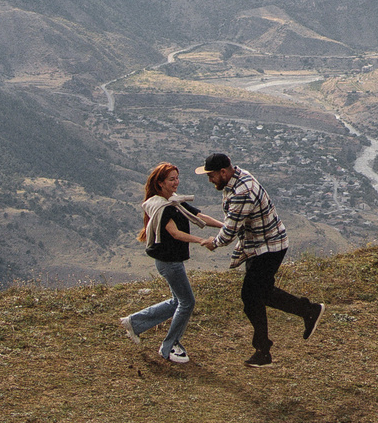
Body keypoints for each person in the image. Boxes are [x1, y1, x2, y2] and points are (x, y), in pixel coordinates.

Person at [197, 151, 323, 367]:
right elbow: (234, 222)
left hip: (268, 248)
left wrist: (214, 242)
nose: (209, 179)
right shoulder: (236, 179)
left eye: (211, 175)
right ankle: (307, 311)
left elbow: (229, 232)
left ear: (223, 172)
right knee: (261, 294)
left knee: (251, 296)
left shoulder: (242, 191)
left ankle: (264, 350)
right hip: (261, 246)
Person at [120, 161, 218, 366]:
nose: (176, 183)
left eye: (177, 178)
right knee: (187, 302)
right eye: (171, 179)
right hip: (169, 262)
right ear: (160, 183)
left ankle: (134, 322)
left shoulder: (173, 201)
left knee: (177, 302)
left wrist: (225, 226)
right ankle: (169, 346)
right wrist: (201, 240)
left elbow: (198, 216)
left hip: (171, 261)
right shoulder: (161, 206)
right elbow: (174, 233)